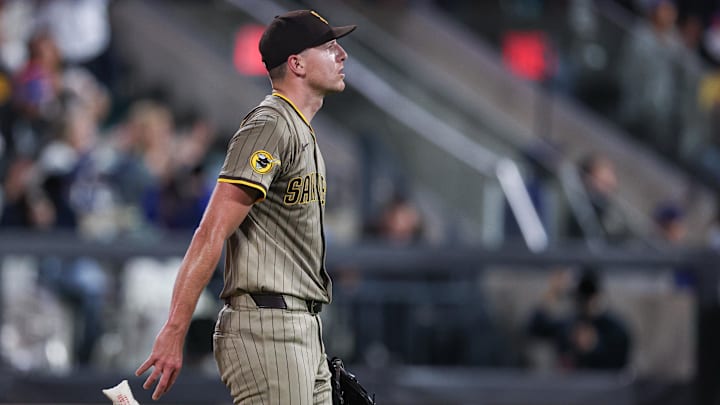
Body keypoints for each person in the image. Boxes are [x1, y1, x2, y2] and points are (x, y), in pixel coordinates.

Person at [135, 10, 356, 404]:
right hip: (268, 327)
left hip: (301, 326)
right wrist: (174, 329)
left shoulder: (301, 130)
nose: (341, 54)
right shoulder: (270, 123)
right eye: (328, 46)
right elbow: (211, 231)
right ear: (297, 63)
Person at [526, 267, 631, 370]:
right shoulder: (568, 324)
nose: (583, 300)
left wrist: (595, 347)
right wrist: (552, 293)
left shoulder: (616, 329)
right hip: (568, 386)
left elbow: (619, 369)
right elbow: (532, 329)